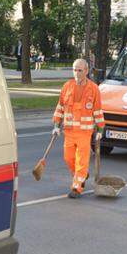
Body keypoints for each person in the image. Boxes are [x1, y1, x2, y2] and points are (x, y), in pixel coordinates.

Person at [51, 58, 104, 198]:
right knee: (68, 158)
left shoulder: (94, 89)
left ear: (86, 71)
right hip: (69, 131)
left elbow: (98, 110)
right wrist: (56, 125)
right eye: (74, 70)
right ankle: (82, 175)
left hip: (84, 133)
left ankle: (77, 187)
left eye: (79, 70)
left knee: (82, 160)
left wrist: (100, 129)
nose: (76, 73)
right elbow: (60, 107)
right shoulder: (67, 86)